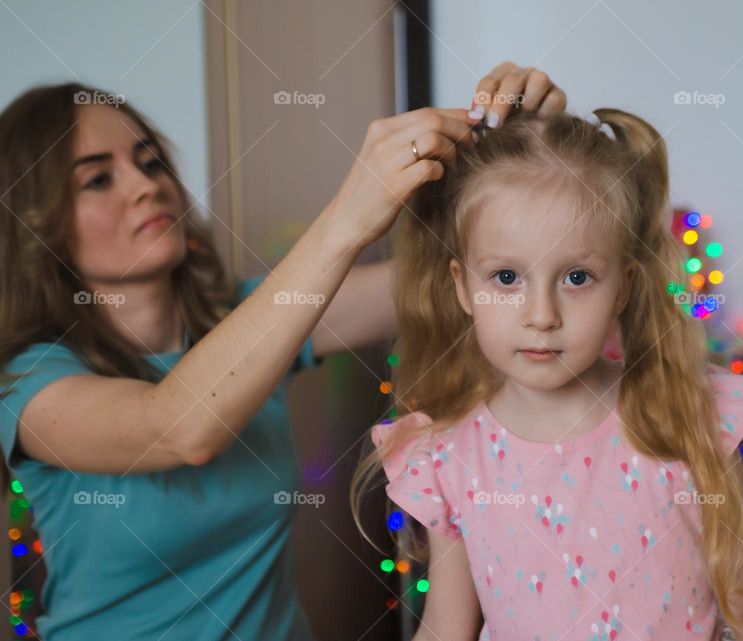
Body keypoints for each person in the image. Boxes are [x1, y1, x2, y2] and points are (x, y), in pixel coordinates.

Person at [0, 62, 566, 640]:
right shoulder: (28, 381)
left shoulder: (247, 318)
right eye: (98, 179)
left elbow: (458, 285)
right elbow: (176, 426)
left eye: (150, 162)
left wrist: (531, 153)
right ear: (34, 224)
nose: (146, 185)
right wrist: (347, 217)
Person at [353, 108, 743, 641]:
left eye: (577, 277)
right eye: (506, 277)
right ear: (463, 287)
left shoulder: (685, 415)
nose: (542, 314)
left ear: (622, 286)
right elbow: (447, 626)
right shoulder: (448, 455)